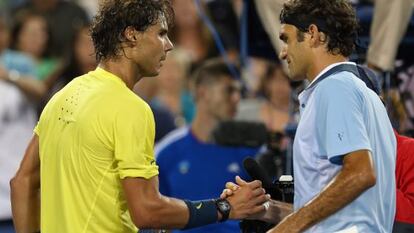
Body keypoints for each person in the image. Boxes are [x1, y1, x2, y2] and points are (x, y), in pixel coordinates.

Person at [9, 1, 270, 233]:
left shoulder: (62, 97)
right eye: (162, 34)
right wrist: (225, 207)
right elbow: (147, 211)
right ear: (131, 35)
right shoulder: (130, 107)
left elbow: (22, 182)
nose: (169, 45)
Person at [223, 0, 396, 232]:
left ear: (313, 34)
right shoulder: (361, 92)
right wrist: (266, 209)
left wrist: (286, 229)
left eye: (286, 39)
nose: (282, 53)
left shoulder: (335, 88)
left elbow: (361, 174)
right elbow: (330, 212)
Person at [155, 58, 261, 233]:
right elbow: (156, 214)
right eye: (229, 90)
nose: (236, 98)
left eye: (238, 91)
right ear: (202, 93)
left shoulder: (251, 151)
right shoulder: (166, 152)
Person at [0, 13, 44, 233]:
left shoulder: (19, 62)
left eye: (2, 30)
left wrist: (8, 76)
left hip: (19, 185)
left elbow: (39, 90)